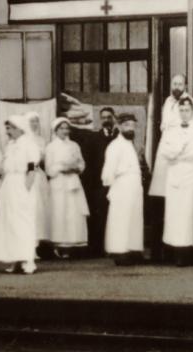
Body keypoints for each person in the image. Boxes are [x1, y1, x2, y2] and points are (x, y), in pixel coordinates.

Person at [0, 115, 40, 274]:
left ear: (19, 128)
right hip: (9, 186)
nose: (7, 131)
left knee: (23, 222)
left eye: (10, 128)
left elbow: (32, 168)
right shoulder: (10, 145)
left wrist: (25, 189)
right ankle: (16, 259)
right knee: (9, 223)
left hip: (22, 185)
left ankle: (28, 260)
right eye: (7, 128)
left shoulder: (29, 144)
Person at [158, 97, 193, 266]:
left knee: (189, 212)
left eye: (187, 110)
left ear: (192, 112)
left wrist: (177, 152)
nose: (184, 114)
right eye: (181, 110)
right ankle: (174, 250)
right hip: (175, 172)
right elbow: (165, 151)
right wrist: (179, 151)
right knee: (174, 212)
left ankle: (187, 252)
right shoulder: (171, 130)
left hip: (192, 173)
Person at [101, 112, 146, 265]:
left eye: (132, 126)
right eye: (126, 125)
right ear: (119, 127)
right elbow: (108, 172)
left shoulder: (130, 145)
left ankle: (133, 250)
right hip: (122, 187)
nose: (130, 129)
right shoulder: (115, 146)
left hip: (134, 186)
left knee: (134, 218)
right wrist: (112, 190)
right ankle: (119, 252)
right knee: (121, 219)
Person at [45, 117, 90, 255]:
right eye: (62, 128)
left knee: (74, 212)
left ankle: (74, 244)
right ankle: (59, 245)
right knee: (60, 212)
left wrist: (76, 168)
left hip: (73, 182)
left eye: (66, 128)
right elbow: (49, 169)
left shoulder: (74, 145)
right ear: (56, 130)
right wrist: (61, 168)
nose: (65, 131)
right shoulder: (51, 147)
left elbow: (82, 163)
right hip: (59, 183)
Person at [67, 105, 107, 257]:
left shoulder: (117, 137)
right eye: (103, 118)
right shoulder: (93, 137)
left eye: (109, 117)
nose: (106, 120)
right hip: (95, 181)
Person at [23, 112, 54, 256]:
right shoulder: (22, 139)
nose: (34, 124)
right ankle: (28, 245)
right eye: (31, 121)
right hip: (28, 176)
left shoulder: (41, 140)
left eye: (36, 121)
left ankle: (39, 245)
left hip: (39, 176)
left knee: (41, 210)